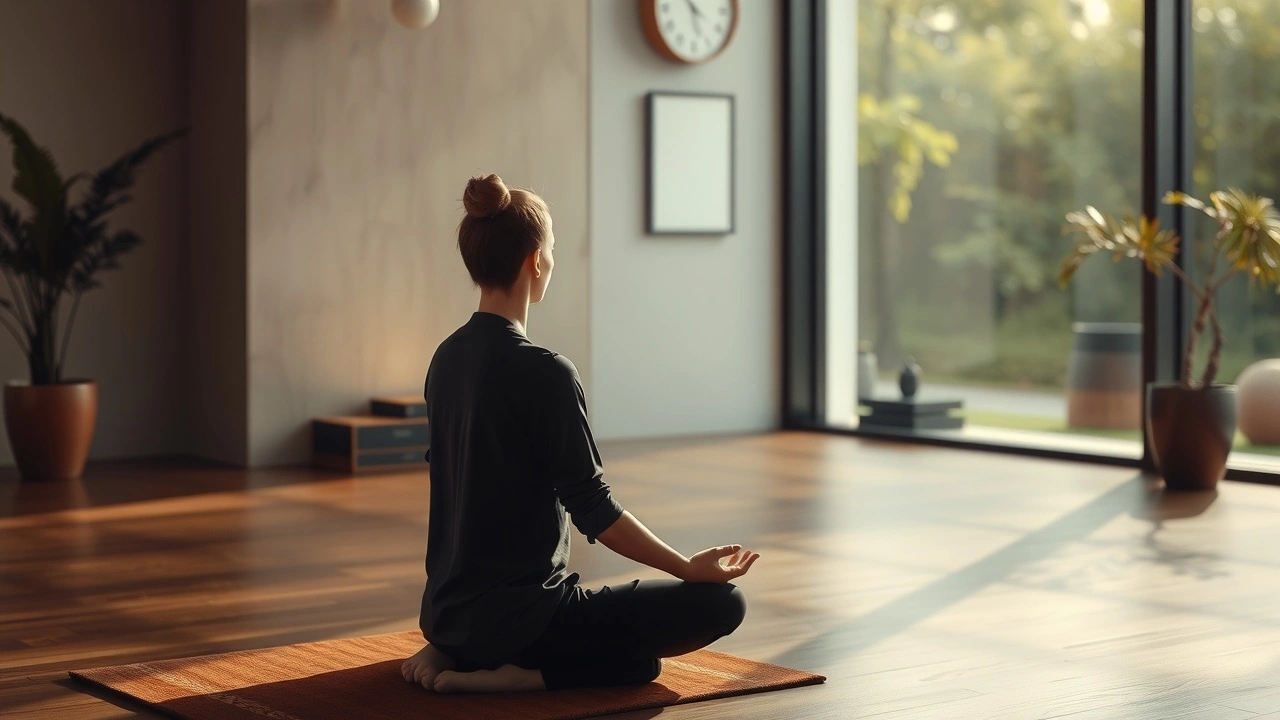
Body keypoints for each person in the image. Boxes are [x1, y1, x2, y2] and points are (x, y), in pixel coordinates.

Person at [400, 174, 760, 694]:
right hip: (524, 622)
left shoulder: (446, 357)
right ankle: (509, 679)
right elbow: (595, 511)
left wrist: (455, 622)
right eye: (551, 250)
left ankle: (457, 647)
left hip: (444, 613)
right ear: (535, 260)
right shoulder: (547, 372)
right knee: (705, 617)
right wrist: (686, 566)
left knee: (632, 655)